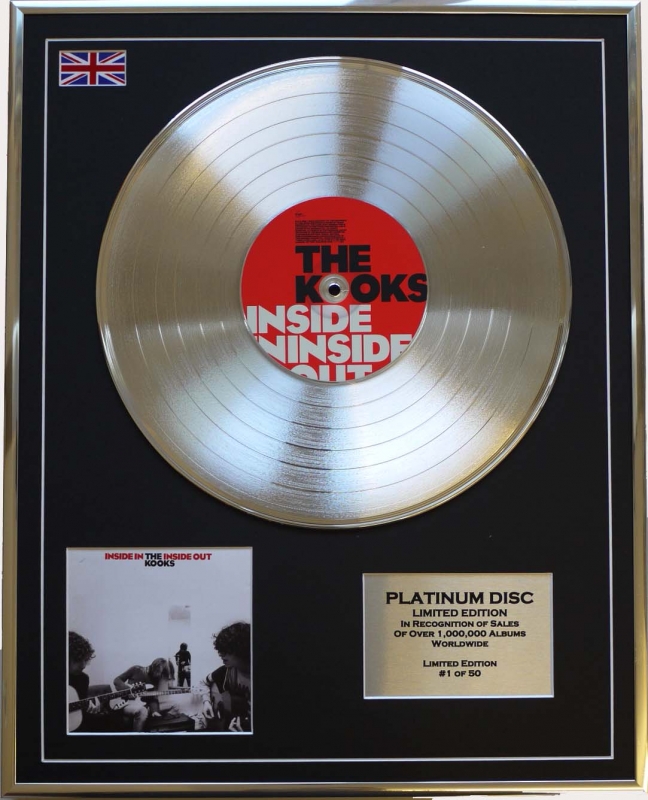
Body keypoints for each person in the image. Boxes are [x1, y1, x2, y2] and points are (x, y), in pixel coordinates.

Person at [200, 622, 251, 732]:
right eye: (220, 650)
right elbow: (203, 682)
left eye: (226, 650)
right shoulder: (226, 671)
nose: (220, 654)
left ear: (242, 649)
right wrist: (206, 702)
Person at [113, 658, 175, 731]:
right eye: (160, 674)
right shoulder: (136, 669)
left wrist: (155, 711)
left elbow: (153, 697)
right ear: (155, 668)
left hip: (142, 704)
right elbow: (117, 680)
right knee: (143, 711)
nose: (160, 676)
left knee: (175, 705)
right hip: (126, 703)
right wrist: (129, 690)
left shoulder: (155, 678)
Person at [68, 631, 103, 731]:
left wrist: (91, 709)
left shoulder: (83, 679)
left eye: (85, 659)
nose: (83, 665)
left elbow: (79, 710)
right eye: (78, 660)